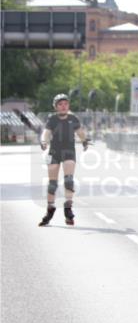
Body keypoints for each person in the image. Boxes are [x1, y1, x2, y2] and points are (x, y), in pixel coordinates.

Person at [39, 93, 89, 226]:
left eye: (65, 104)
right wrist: (43, 141)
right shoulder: (52, 119)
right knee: (52, 184)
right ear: (55, 107)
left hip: (69, 152)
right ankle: (50, 209)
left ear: (68, 105)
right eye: (60, 104)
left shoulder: (73, 118)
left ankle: (68, 208)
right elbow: (46, 132)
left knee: (68, 180)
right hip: (54, 152)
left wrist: (84, 141)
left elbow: (80, 132)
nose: (63, 106)